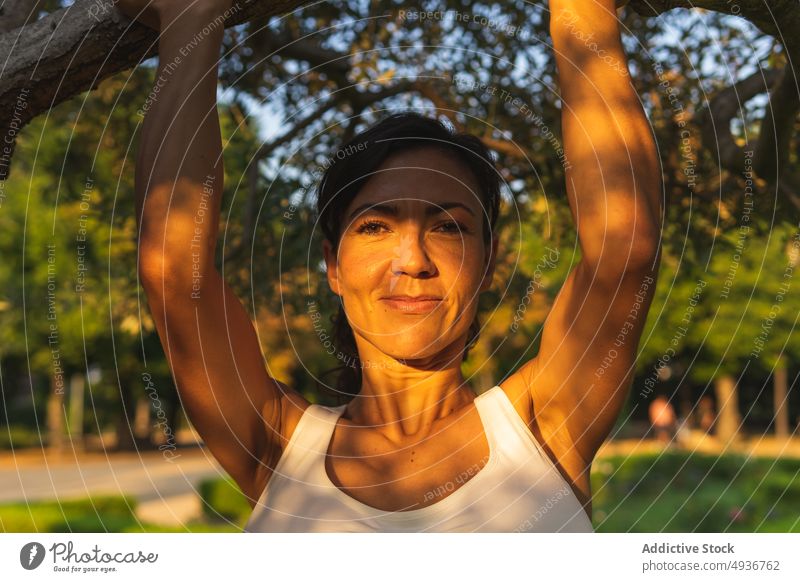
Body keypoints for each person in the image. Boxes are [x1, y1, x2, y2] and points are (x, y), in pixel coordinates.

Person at [121, 0, 662, 532]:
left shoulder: (547, 426)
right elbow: (172, 271)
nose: (413, 261)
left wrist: (582, 9)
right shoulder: (275, 445)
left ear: (488, 262)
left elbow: (625, 245)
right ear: (333, 264)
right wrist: (191, 15)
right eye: (375, 227)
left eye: (449, 226)